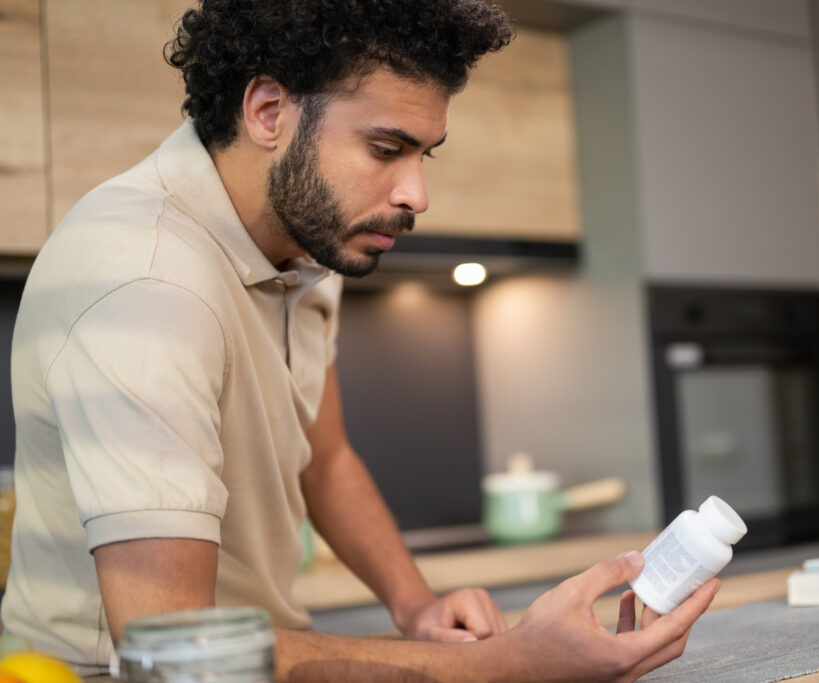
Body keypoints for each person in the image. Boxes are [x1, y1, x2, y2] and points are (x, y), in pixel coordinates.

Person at [1, 1, 720, 680]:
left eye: (424, 155)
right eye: (386, 147)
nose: (416, 195)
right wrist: (512, 663)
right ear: (268, 111)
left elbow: (328, 457)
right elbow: (172, 640)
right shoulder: (144, 280)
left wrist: (415, 605)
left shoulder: (308, 243)